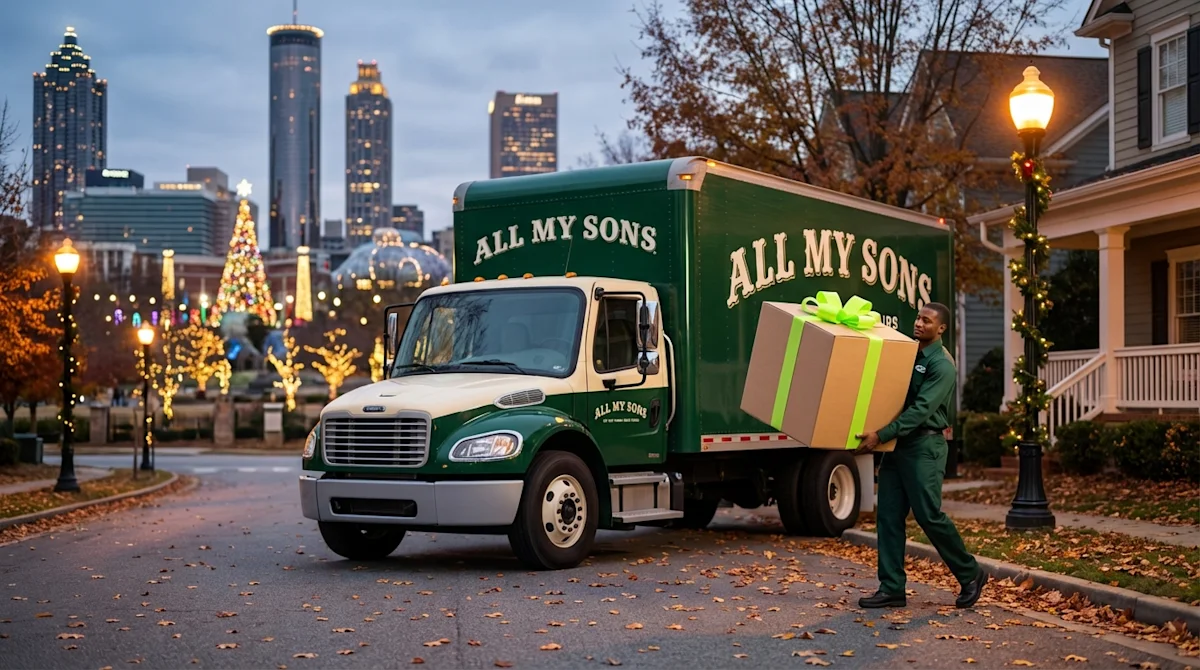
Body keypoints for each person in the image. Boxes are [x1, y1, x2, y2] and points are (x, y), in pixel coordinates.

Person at [855, 302, 986, 609]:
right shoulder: (906, 354)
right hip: (897, 447)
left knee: (928, 515)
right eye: (918, 318)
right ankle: (892, 588)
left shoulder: (942, 365)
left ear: (940, 329)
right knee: (887, 516)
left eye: (927, 321)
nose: (919, 323)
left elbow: (919, 411)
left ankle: (970, 573)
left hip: (924, 447)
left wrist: (881, 435)